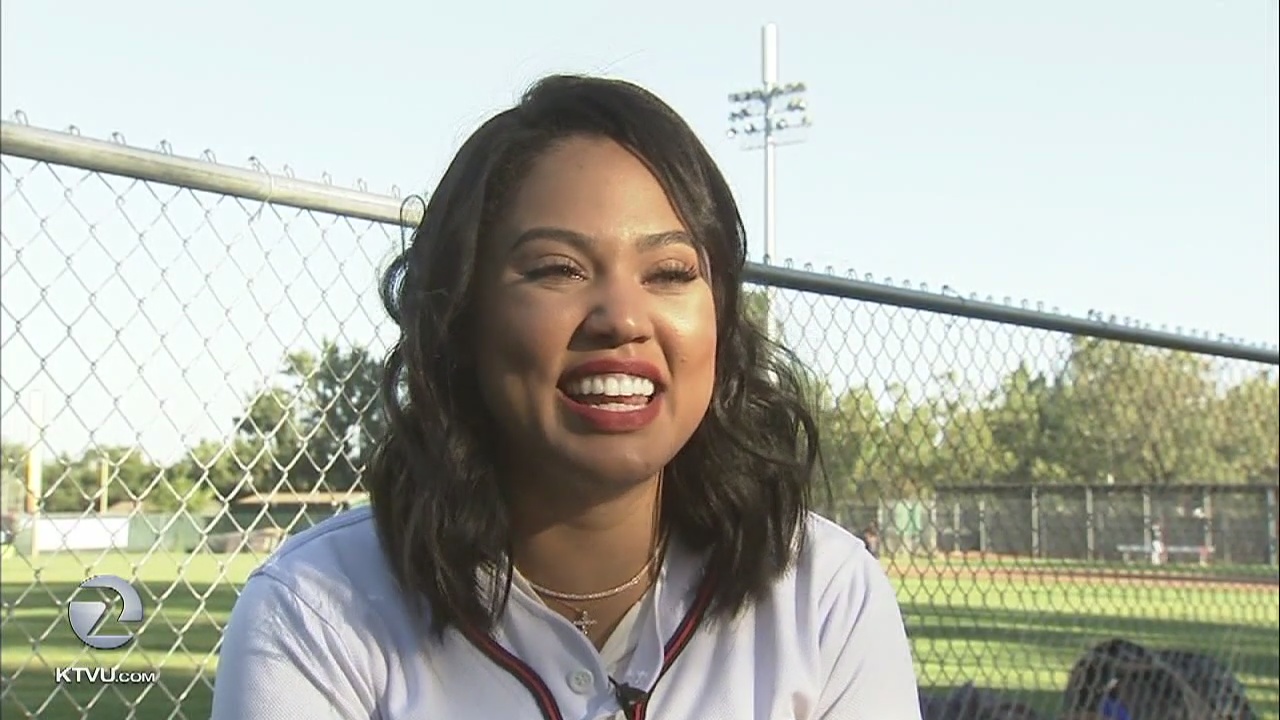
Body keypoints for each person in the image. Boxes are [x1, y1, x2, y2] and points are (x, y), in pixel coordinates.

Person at [210, 74, 921, 720]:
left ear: (722, 321)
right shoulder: (317, 610)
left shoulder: (824, 595)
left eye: (670, 272)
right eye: (558, 268)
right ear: (460, 317)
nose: (623, 318)